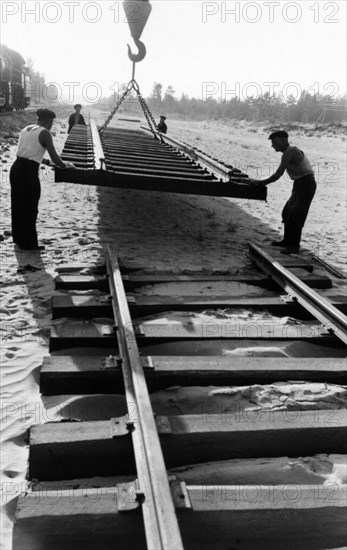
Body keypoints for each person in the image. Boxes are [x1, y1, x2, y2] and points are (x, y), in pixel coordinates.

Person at [10, 108, 75, 251]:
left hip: (16, 169)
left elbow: (29, 153)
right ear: (49, 121)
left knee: (18, 204)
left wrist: (46, 162)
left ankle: (19, 239)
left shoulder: (26, 129)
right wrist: (65, 165)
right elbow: (54, 156)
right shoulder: (45, 133)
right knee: (30, 207)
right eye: (52, 122)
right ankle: (28, 245)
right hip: (28, 173)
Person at [250, 130, 316, 254]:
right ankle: (287, 241)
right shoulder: (289, 151)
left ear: (283, 140)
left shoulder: (289, 152)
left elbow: (277, 175)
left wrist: (260, 183)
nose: (273, 145)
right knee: (287, 212)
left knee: (296, 214)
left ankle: (294, 246)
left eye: (274, 142)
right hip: (301, 184)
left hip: (306, 184)